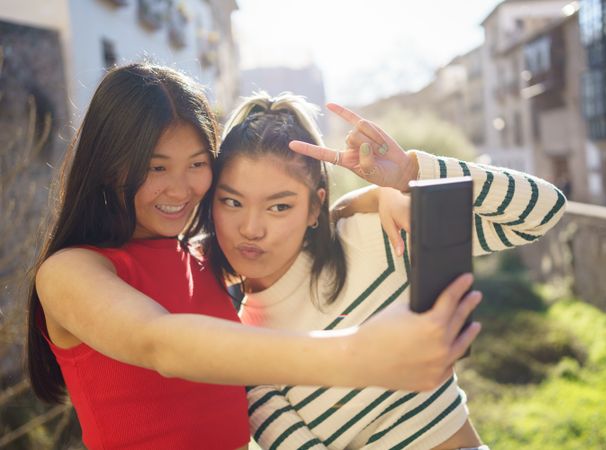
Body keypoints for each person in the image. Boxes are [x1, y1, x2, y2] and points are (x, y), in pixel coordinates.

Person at [26, 64, 481, 450]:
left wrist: (373, 199)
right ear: (109, 163)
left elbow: (283, 228)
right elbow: (160, 343)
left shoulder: (204, 260)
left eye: (198, 163)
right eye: (155, 166)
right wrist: (358, 353)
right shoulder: (70, 272)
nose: (181, 189)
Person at [205, 92, 567, 449]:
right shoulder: (243, 343)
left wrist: (410, 173)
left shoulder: (375, 234)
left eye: (279, 207)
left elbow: (541, 212)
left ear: (315, 207)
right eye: (232, 201)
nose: (251, 228)